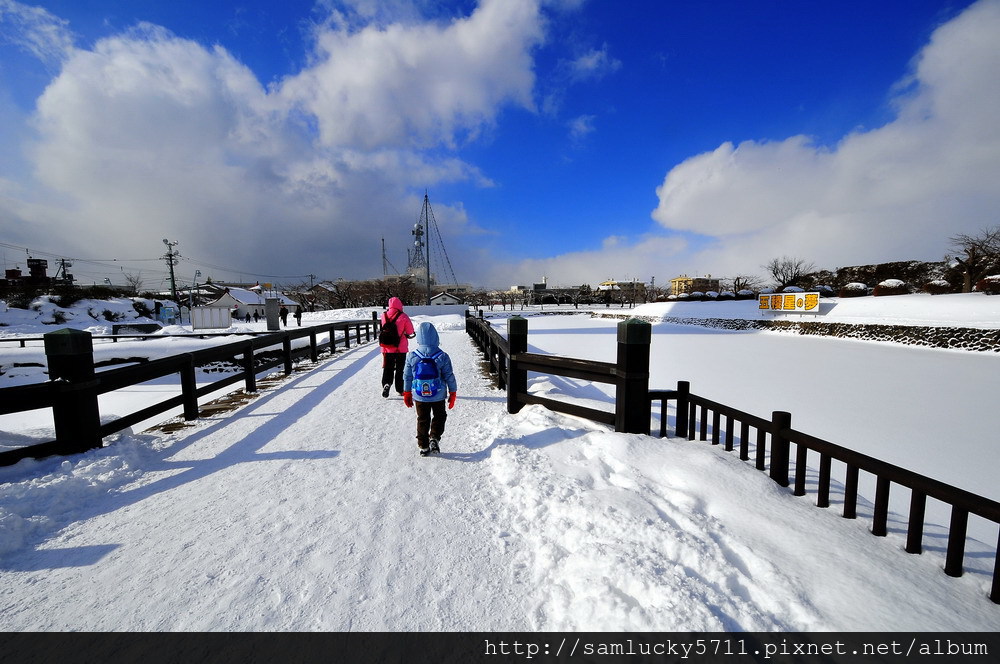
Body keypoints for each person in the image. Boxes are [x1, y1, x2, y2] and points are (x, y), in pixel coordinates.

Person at [403, 322, 457, 456]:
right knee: (439, 416)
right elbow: (449, 375)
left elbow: (407, 376)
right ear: (435, 337)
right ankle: (434, 436)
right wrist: (453, 392)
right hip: (438, 395)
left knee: (422, 418)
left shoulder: (412, 356)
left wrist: (407, 392)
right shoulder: (442, 355)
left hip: (420, 395)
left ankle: (423, 446)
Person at [379, 297, 415, 398]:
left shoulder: (384, 315)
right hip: (400, 348)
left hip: (386, 348)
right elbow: (410, 331)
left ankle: (386, 383)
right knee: (400, 369)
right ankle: (400, 389)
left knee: (388, 367)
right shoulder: (403, 316)